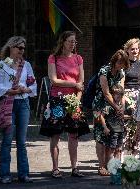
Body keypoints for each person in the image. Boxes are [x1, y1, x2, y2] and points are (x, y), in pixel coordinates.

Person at [0, 36, 37, 183]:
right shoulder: (2, 65)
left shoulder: (26, 65)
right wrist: (13, 90)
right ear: (11, 47)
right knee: (7, 140)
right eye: (19, 48)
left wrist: (25, 89)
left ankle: (23, 174)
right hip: (8, 104)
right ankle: (5, 174)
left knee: (22, 141)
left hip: (23, 104)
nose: (22, 51)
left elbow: (33, 85)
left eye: (24, 48)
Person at [46, 31, 85, 178]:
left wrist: (77, 100)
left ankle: (74, 168)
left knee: (74, 134)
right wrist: (73, 83)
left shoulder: (78, 58)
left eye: (74, 41)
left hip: (74, 100)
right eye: (70, 41)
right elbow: (54, 80)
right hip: (58, 100)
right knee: (55, 134)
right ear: (63, 42)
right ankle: (55, 168)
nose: (73, 44)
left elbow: (81, 82)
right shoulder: (53, 58)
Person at [92, 49, 129, 176]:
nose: (121, 66)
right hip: (100, 106)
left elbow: (122, 91)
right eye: (119, 63)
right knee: (100, 135)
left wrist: (122, 107)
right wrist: (116, 106)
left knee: (111, 137)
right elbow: (106, 93)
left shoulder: (121, 72)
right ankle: (101, 166)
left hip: (115, 107)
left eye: (123, 63)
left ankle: (109, 165)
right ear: (114, 61)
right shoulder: (104, 71)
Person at [96, 84, 125, 160]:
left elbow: (123, 117)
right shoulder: (109, 106)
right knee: (111, 149)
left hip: (121, 131)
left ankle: (117, 165)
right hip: (113, 131)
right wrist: (105, 127)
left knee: (118, 149)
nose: (118, 96)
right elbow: (101, 116)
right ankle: (110, 166)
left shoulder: (121, 106)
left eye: (120, 94)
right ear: (112, 95)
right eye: (116, 94)